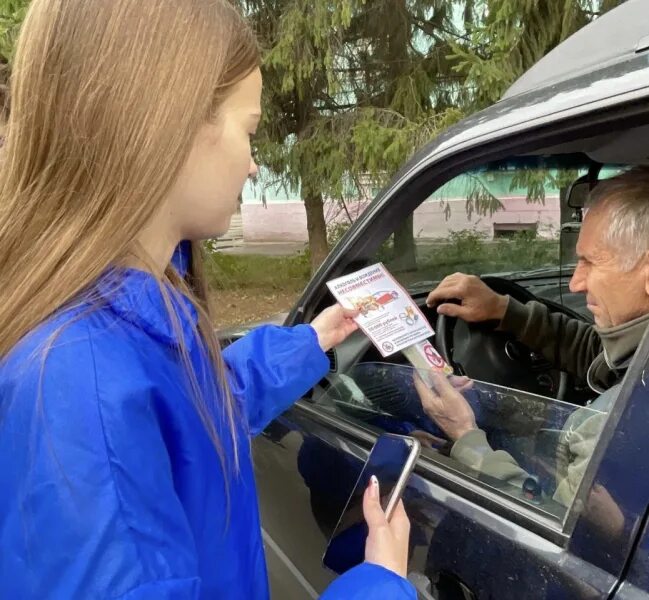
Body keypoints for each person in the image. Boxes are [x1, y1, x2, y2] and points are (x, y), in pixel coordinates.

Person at [0, 1, 415, 599]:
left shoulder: (125, 316)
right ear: (173, 124)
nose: (254, 163)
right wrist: (377, 585)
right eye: (249, 129)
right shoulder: (80, 385)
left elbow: (197, 405)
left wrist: (311, 341)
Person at [419, 166, 649, 507]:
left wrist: (465, 437)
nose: (575, 283)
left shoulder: (614, 424)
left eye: (590, 263)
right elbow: (601, 357)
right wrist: (503, 310)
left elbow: (547, 531)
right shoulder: (638, 351)